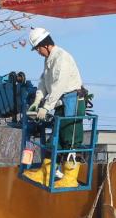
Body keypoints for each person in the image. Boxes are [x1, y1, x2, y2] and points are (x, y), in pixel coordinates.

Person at [24, 25, 87, 189]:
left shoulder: (62, 58)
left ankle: (70, 177)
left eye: (38, 49)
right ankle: (45, 173)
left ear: (45, 45)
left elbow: (59, 85)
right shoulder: (49, 60)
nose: (38, 52)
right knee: (56, 140)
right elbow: (43, 83)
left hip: (72, 101)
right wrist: (37, 101)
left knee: (70, 140)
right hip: (61, 103)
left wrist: (46, 107)